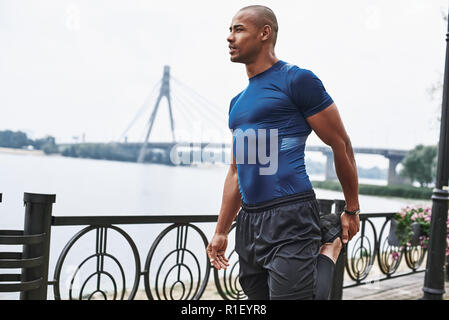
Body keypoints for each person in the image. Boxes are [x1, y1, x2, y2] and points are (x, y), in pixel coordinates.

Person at [207, 5, 360, 300]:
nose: (229, 37)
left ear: (265, 33)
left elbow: (340, 143)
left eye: (238, 29)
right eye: (229, 30)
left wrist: (351, 209)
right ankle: (324, 249)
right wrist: (222, 230)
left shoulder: (296, 80)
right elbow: (238, 170)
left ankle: (328, 248)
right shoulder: (236, 103)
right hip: (250, 221)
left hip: (291, 214)